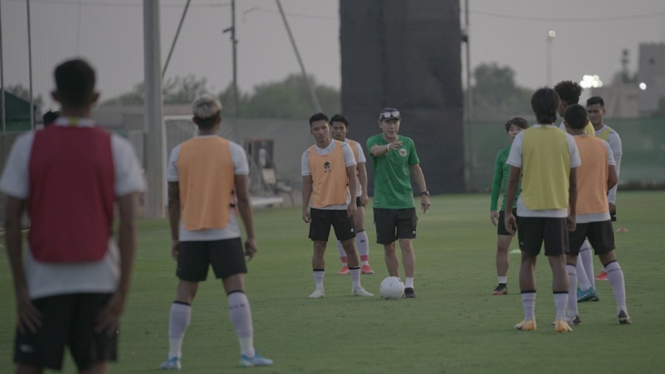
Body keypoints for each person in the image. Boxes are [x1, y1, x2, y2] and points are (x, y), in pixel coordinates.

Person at [1, 58, 144, 373]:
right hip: (98, 282)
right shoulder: (116, 149)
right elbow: (130, 225)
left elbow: (11, 221)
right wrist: (121, 293)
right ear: (95, 96)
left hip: (42, 283)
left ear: (54, 95)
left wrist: (21, 290)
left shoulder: (28, 146)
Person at [160, 95, 273, 369]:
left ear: (194, 121)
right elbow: (244, 198)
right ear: (219, 120)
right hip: (225, 230)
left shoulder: (179, 152)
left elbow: (172, 200)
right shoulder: (233, 151)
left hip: (190, 233)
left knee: (184, 292)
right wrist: (252, 236)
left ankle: (174, 356)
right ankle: (247, 353)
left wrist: (175, 236)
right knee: (235, 288)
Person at [504, 87, 580, 333]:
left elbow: (513, 179)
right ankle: (560, 319)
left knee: (528, 260)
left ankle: (529, 319)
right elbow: (574, 182)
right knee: (558, 262)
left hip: (529, 209)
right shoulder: (566, 138)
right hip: (557, 209)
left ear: (534, 109)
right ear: (557, 108)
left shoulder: (523, 138)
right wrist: (573, 212)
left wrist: (508, 211)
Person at [562, 104, 630, 325]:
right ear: (587, 123)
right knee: (610, 259)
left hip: (574, 213)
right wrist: (600, 192)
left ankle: (572, 315)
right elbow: (613, 178)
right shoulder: (602, 145)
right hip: (600, 212)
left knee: (569, 262)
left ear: (566, 124)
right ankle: (622, 309)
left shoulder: (566, 146)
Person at [301, 112, 373, 299]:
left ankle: (357, 287)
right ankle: (319, 288)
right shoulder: (308, 154)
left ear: (329, 129)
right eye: (316, 129)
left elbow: (352, 175)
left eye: (324, 128)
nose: (321, 132)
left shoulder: (344, 148)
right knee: (319, 247)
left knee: (350, 246)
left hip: (342, 206)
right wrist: (304, 208)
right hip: (319, 208)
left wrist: (352, 201)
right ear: (311, 132)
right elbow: (307, 183)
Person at [367, 108, 431, 298]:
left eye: (395, 122)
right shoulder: (374, 141)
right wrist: (388, 147)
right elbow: (375, 152)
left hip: (405, 202)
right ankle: (396, 284)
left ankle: (409, 286)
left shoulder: (408, 143)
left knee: (406, 243)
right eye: (387, 122)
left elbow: (416, 169)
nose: (392, 126)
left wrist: (424, 193)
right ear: (380, 124)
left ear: (399, 124)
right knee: (389, 247)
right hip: (383, 203)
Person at [554, 80, 598, 301]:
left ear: (561, 102)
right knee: (582, 240)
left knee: (570, 240)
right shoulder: (586, 123)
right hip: (589, 187)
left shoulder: (566, 126)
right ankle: (588, 285)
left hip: (571, 189)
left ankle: (586, 285)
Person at [584, 95, 624, 284]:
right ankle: (587, 275)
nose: (592, 115)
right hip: (584, 194)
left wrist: (611, 199)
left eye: (596, 111)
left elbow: (615, 170)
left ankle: (605, 269)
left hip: (603, 194)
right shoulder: (581, 133)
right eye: (589, 112)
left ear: (603, 112)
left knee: (604, 234)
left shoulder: (612, 136)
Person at [330, 114, 375, 275]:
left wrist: (364, 192)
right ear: (330, 129)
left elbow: (362, 171)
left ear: (346, 129)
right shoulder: (326, 148)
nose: (338, 131)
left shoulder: (355, 146)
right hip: (336, 196)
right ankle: (345, 265)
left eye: (341, 128)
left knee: (360, 226)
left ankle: (365, 264)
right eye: (335, 128)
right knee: (341, 230)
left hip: (355, 193)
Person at [489, 117, 528, 295]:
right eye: (512, 129)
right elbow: (497, 183)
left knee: (529, 248)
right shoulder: (502, 154)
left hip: (528, 206)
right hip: (508, 207)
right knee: (502, 246)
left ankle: (527, 283)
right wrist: (493, 207)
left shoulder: (531, 152)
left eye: (519, 129)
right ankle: (502, 284)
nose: (514, 133)